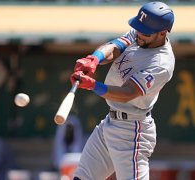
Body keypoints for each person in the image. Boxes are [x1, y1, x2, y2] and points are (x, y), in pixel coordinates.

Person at [69, 1, 175, 179]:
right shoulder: (141, 32)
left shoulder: (161, 63)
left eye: (145, 33)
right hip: (110, 122)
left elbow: (126, 94)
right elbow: (115, 47)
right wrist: (94, 59)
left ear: (162, 33)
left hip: (132, 131)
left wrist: (94, 85)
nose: (139, 34)